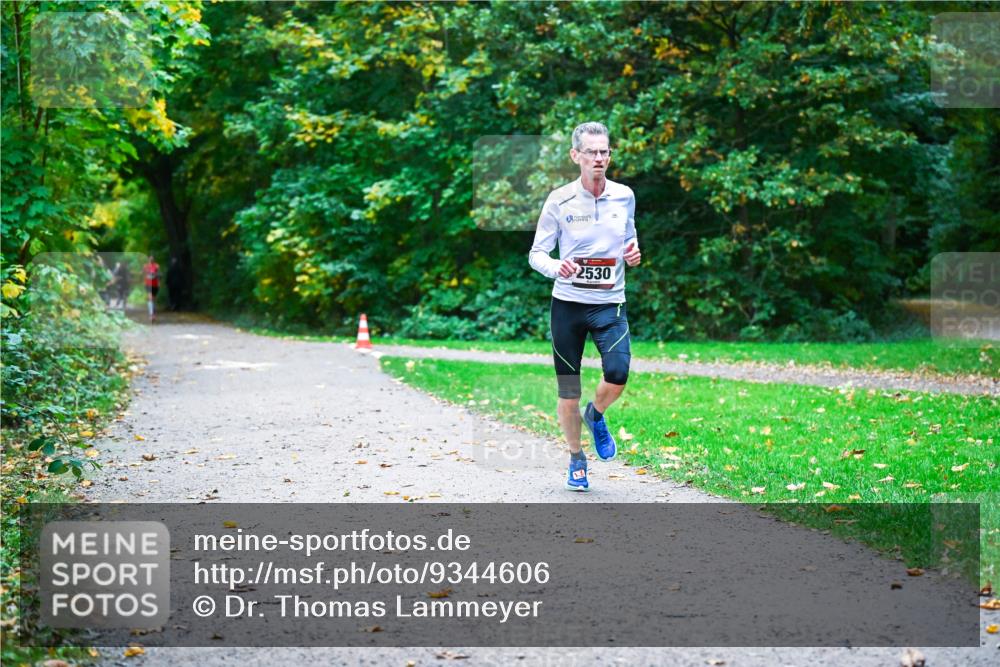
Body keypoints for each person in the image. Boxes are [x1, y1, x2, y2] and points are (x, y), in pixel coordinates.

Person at [528, 121, 642, 491]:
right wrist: (555, 266)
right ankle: (577, 458)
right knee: (568, 390)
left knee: (619, 371)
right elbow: (536, 253)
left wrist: (633, 252)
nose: (599, 158)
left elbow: (629, 238)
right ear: (576, 155)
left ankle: (597, 414)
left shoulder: (624, 196)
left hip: (609, 304)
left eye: (604, 151)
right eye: (591, 151)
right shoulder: (559, 200)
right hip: (568, 307)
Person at [143, 255, 160, 322]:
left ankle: (153, 314)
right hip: (148, 284)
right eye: (150, 258)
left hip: (155, 284)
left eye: (152, 258)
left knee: (153, 300)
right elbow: (143, 274)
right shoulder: (145, 266)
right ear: (148, 259)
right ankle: (151, 315)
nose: (151, 259)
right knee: (150, 298)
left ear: (154, 259)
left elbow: (158, 275)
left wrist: (159, 282)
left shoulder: (157, 266)